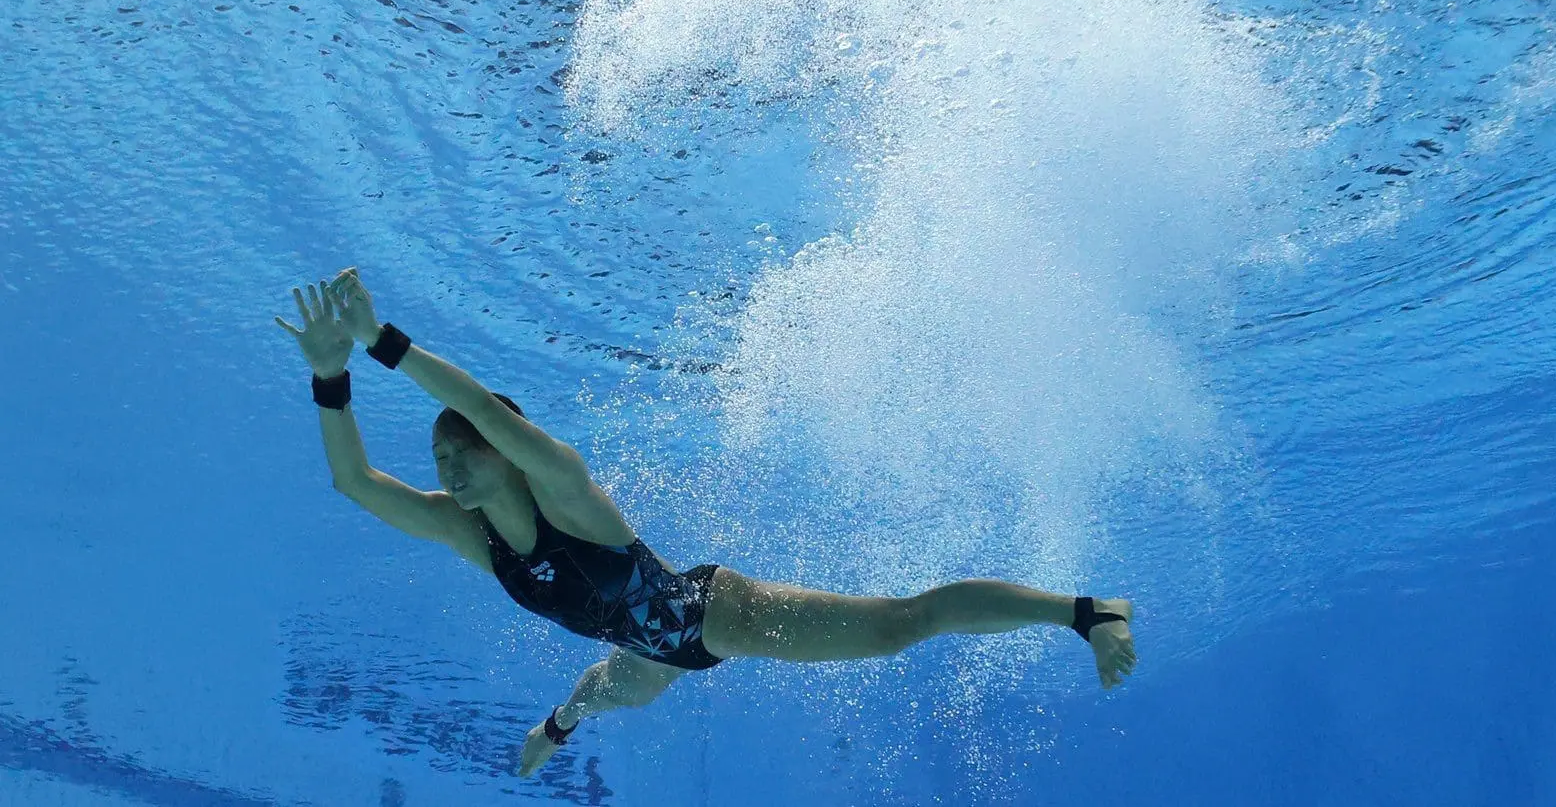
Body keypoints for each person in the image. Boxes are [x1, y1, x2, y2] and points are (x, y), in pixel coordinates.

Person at [275, 268, 1136, 777]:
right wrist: (328, 377)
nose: (448, 468)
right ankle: (556, 729)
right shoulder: (470, 534)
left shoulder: (565, 488)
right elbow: (354, 481)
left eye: (462, 451)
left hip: (717, 613)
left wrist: (384, 343)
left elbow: (488, 414)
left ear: (505, 451)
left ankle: (1086, 612)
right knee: (605, 689)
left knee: (899, 628)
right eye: (439, 457)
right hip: (652, 651)